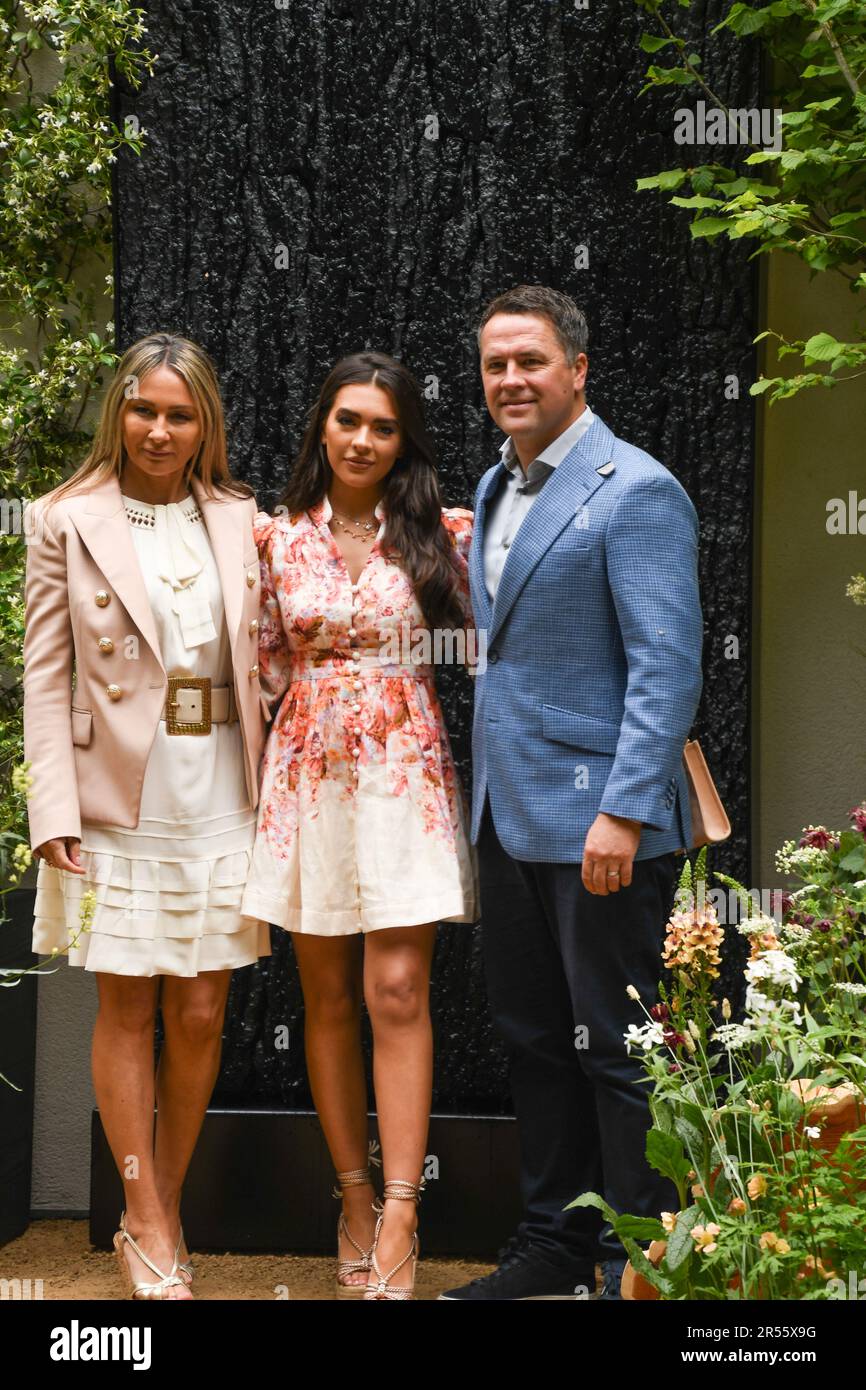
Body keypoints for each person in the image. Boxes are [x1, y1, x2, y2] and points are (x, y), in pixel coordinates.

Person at [440, 285, 703, 1301]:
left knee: (618, 1053)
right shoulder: (496, 486)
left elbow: (666, 666)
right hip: (510, 819)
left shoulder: (633, 489)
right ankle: (551, 1243)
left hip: (603, 823)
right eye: (494, 363)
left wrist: (624, 812)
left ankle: (634, 1260)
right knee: (535, 1041)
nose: (510, 378)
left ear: (577, 369)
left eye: (530, 361)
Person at [23, 333, 270, 1299]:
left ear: (204, 422)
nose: (159, 430)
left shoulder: (243, 517)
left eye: (179, 413)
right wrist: (52, 804)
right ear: (116, 414)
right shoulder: (62, 519)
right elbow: (46, 681)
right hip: (115, 797)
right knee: (127, 1002)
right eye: (142, 410)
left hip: (220, 787)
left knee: (203, 1005)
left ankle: (158, 1202)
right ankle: (143, 1211)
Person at [240, 351, 477, 1300]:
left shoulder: (444, 532)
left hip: (405, 772)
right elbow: (259, 670)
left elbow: (512, 630)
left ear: (402, 439)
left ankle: (404, 1211)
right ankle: (352, 1195)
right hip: (305, 776)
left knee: (397, 988)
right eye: (348, 421)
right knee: (327, 996)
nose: (363, 439)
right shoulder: (273, 542)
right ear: (322, 428)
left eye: (382, 426)